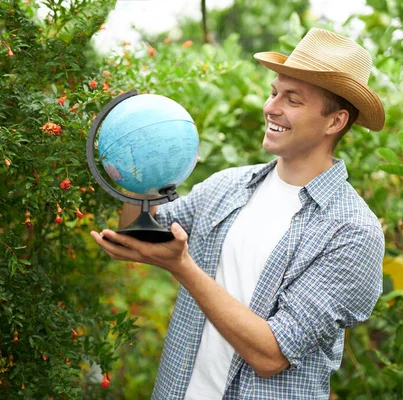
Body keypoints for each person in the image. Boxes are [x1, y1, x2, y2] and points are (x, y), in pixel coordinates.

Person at [91, 28, 386, 399]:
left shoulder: (352, 231)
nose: (271, 108)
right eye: (273, 92)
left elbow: (272, 354)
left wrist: (183, 267)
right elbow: (137, 232)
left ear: (335, 122)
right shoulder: (228, 186)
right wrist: (141, 160)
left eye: (292, 100)